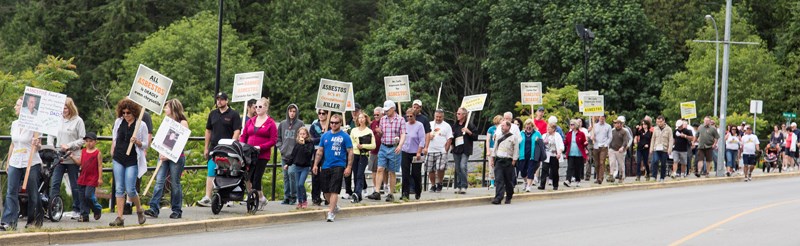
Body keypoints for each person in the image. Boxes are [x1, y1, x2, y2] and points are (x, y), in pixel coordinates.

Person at [1, 97, 44, 231]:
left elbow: (39, 146)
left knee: (32, 191)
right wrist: (8, 162)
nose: (15, 107)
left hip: (30, 161)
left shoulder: (35, 124)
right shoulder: (14, 124)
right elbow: (13, 144)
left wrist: (37, 144)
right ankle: (9, 221)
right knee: (11, 191)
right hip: (15, 160)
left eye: (18, 105)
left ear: (24, 108)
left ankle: (33, 220)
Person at [145, 99, 189, 219]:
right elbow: (161, 138)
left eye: (167, 107)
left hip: (176, 157)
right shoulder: (167, 121)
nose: (165, 109)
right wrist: (160, 152)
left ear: (173, 108)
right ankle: (154, 208)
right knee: (159, 181)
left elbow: (181, 143)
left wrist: (168, 154)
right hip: (163, 156)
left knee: (175, 183)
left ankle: (176, 210)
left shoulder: (182, 123)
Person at [109, 98, 149, 227]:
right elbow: (115, 137)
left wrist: (137, 142)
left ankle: (139, 209)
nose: (126, 115)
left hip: (132, 159)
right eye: (124, 112)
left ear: (134, 113)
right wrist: (112, 149)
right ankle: (119, 217)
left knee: (131, 189)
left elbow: (145, 144)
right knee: (119, 188)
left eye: (128, 113)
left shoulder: (141, 125)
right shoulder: (119, 122)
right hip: (119, 157)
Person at [198, 92, 242, 207]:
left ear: (226, 101)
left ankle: (229, 196)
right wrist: (206, 148)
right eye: (217, 99)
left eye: (222, 99)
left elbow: (237, 130)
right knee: (211, 170)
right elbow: (208, 131)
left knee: (228, 171)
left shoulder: (233, 114)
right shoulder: (213, 114)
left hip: (228, 148)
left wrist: (232, 143)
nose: (219, 101)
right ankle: (208, 197)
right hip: (214, 148)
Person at [47, 97, 86, 219]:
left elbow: (82, 139)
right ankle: (53, 208)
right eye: (62, 108)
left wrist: (69, 146)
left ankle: (77, 209)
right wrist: (50, 147)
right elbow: (50, 134)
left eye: (66, 108)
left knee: (74, 184)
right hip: (59, 156)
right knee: (55, 183)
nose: (64, 111)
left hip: (72, 156)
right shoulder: (57, 120)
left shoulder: (78, 121)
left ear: (71, 108)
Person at [312, 114, 353, 222]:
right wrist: (316, 164)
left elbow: (350, 152)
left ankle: (330, 213)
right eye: (331, 122)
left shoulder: (345, 136)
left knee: (334, 189)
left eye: (336, 123)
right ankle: (333, 206)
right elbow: (320, 151)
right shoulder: (325, 136)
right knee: (325, 190)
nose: (333, 124)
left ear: (340, 123)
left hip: (339, 165)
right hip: (326, 165)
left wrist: (348, 167)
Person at [239, 97, 278, 210]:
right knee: (247, 176)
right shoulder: (251, 121)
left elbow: (273, 140)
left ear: (266, 108)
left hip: (262, 154)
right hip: (249, 153)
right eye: (256, 106)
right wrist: (242, 145)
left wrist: (261, 147)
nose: (257, 109)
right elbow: (244, 135)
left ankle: (256, 197)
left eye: (260, 106)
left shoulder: (270, 123)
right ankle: (259, 197)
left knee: (257, 177)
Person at [366, 100, 406, 202]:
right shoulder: (383, 119)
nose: (386, 112)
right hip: (383, 146)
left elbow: (403, 134)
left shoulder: (400, 119)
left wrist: (400, 145)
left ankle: (390, 193)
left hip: (394, 146)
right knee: (380, 169)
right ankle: (377, 191)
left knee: (392, 172)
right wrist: (379, 132)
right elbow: (381, 134)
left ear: (393, 109)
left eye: (388, 110)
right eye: (385, 110)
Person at [70, 132, 103, 222]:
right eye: (87, 141)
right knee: (82, 197)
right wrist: (72, 157)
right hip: (83, 177)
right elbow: (80, 162)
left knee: (88, 195)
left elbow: (100, 165)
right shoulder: (83, 151)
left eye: (91, 141)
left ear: (95, 142)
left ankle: (97, 208)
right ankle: (84, 215)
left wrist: (100, 178)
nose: (89, 143)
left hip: (92, 178)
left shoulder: (97, 153)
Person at [277, 104, 304, 205]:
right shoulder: (283, 124)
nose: (292, 113)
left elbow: (303, 137)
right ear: (288, 112)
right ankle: (286, 197)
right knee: (285, 176)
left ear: (296, 112)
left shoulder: (300, 124)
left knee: (292, 174)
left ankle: (294, 196)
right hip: (284, 154)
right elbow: (278, 137)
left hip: (294, 155)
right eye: (290, 111)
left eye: (294, 111)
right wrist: (280, 147)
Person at [489, 120, 519, 204]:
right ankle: (498, 197)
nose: (502, 127)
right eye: (501, 126)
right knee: (498, 179)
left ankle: (509, 195)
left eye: (504, 126)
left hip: (508, 160)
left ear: (508, 127)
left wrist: (514, 160)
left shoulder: (513, 137)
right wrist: (492, 159)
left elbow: (516, 150)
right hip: (499, 160)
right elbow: (495, 148)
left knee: (508, 180)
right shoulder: (498, 136)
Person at [349, 112, 375, 203]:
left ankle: (356, 193)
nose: (361, 119)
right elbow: (351, 142)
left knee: (360, 174)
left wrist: (363, 146)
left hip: (363, 155)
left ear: (366, 119)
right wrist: (355, 147)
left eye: (362, 117)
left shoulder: (369, 131)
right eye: (359, 118)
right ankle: (358, 195)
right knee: (355, 175)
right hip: (354, 154)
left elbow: (373, 145)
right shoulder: (354, 130)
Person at [425, 109, 453, 193]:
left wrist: (446, 150)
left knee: (440, 168)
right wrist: (429, 137)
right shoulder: (430, 124)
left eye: (440, 117)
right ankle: (433, 185)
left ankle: (439, 183)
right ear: (434, 116)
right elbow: (425, 135)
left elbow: (449, 138)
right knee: (430, 169)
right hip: (430, 149)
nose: (438, 118)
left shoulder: (446, 126)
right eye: (437, 116)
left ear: (443, 117)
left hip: (441, 150)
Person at [401, 108, 425, 200]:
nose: (409, 118)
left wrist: (419, 152)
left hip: (416, 152)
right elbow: (402, 136)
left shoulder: (419, 125)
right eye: (407, 116)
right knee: (405, 173)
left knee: (415, 173)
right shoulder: (404, 125)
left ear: (415, 116)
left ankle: (418, 190)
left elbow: (422, 140)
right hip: (406, 151)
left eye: (411, 116)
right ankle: (405, 193)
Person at [452, 107, 478, 194]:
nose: (457, 115)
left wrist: (468, 132)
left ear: (464, 115)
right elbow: (451, 137)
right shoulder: (455, 125)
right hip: (456, 149)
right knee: (458, 168)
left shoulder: (469, 125)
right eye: (457, 113)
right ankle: (459, 185)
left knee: (463, 166)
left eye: (459, 114)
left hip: (465, 149)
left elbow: (475, 137)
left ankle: (464, 185)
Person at [288, 128, 315, 209]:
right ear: (298, 135)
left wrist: (303, 145)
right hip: (297, 166)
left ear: (307, 135)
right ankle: (299, 201)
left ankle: (304, 200)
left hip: (305, 167)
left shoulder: (309, 143)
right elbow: (293, 154)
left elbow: (309, 153)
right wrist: (288, 164)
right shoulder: (297, 144)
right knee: (297, 185)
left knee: (301, 184)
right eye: (300, 134)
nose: (302, 135)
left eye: (304, 134)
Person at [310, 109, 330, 206]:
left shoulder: (331, 125)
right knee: (315, 175)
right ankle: (315, 197)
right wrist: (322, 138)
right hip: (316, 152)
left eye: (323, 113)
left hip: (328, 153)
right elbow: (311, 139)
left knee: (326, 175)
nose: (321, 115)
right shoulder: (314, 126)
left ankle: (327, 196)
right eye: (319, 113)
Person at [518, 119, 542, 191]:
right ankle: (525, 182)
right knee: (522, 171)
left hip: (532, 155)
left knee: (531, 170)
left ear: (532, 126)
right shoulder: (521, 133)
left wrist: (538, 140)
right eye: (527, 127)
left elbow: (541, 145)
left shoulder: (537, 133)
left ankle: (529, 186)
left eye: (530, 127)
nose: (528, 128)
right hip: (522, 154)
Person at [649, 116, 674, 182]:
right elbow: (653, 139)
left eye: (660, 122)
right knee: (655, 161)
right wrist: (651, 148)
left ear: (664, 121)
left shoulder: (669, 129)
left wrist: (670, 149)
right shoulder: (655, 129)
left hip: (664, 149)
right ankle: (654, 176)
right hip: (656, 148)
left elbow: (671, 140)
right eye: (657, 122)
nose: (659, 123)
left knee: (663, 163)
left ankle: (662, 177)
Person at [540, 123, 564, 189]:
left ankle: (555, 185)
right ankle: (542, 185)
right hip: (546, 155)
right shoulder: (544, 135)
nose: (548, 129)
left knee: (554, 171)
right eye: (547, 128)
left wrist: (559, 153)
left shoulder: (557, 135)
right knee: (544, 170)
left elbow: (561, 145)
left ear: (554, 129)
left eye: (549, 128)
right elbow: (541, 144)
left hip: (554, 155)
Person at [564, 119, 587, 187]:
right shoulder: (569, 134)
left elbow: (584, 142)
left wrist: (585, 144)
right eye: (570, 124)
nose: (571, 126)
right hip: (571, 153)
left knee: (577, 168)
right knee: (570, 167)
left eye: (572, 124)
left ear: (576, 125)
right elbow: (566, 142)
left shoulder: (581, 134)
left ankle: (578, 180)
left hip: (578, 153)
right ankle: (568, 180)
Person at [608, 117, 630, 183]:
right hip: (612, 149)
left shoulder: (624, 132)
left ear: (621, 124)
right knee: (612, 162)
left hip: (620, 150)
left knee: (621, 164)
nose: (617, 125)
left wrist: (622, 147)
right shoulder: (612, 131)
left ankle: (621, 176)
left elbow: (625, 141)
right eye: (615, 123)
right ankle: (611, 175)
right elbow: (609, 139)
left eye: (618, 123)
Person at [591, 115, 612, 184]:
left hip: (603, 146)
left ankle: (600, 178)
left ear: (605, 119)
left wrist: (606, 144)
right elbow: (591, 135)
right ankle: (598, 177)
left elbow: (610, 137)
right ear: (599, 118)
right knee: (596, 163)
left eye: (603, 118)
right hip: (596, 146)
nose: (601, 120)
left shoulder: (608, 126)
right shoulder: (595, 126)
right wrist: (592, 137)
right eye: (600, 118)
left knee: (601, 162)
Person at [368, 107, 385, 194]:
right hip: (374, 151)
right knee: (374, 171)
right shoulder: (373, 123)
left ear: (382, 114)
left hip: (384, 150)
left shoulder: (385, 122)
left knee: (384, 170)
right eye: (374, 114)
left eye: (377, 114)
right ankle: (375, 189)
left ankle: (384, 187)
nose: (375, 116)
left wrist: (381, 133)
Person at [485, 115, 503, 188]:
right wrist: (488, 150)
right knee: (491, 165)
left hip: (500, 148)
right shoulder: (491, 129)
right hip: (492, 148)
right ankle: (492, 181)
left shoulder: (503, 128)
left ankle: (499, 180)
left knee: (499, 165)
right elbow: (488, 140)